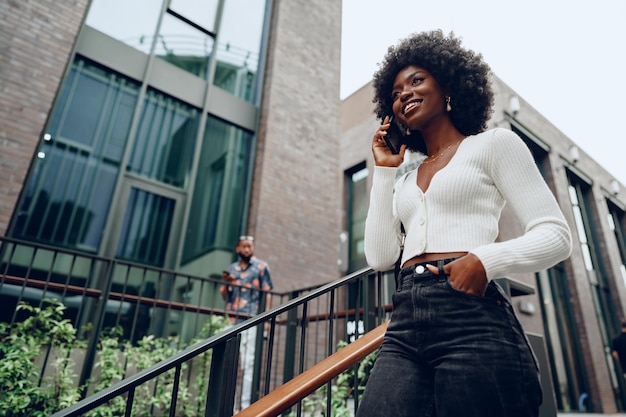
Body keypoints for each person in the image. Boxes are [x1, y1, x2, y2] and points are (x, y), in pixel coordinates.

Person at [357, 30, 572, 417]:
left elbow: (555, 235)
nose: (404, 92)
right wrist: (384, 172)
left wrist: (484, 261)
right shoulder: (404, 179)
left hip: (471, 315)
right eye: (395, 91)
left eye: (417, 80)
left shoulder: (493, 144)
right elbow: (379, 256)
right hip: (405, 319)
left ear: (449, 84)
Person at [220, 235, 273, 409]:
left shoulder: (261, 267)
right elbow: (225, 296)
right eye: (244, 247)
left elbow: (267, 293)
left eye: (250, 246)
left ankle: (245, 407)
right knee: (231, 364)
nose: (247, 250)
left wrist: (266, 320)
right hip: (233, 320)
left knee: (249, 364)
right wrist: (226, 283)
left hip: (252, 319)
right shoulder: (232, 269)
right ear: (238, 249)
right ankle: (231, 408)